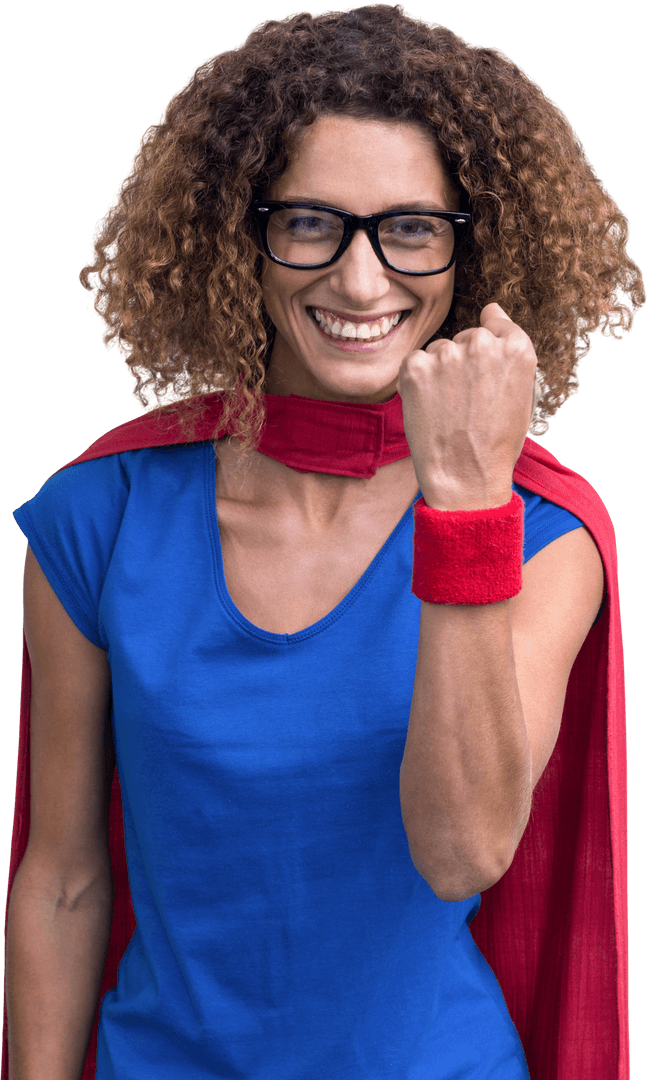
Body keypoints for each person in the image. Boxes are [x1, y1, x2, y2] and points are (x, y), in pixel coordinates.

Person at [3, 5, 643, 1079]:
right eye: (308, 223)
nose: (358, 281)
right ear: (233, 236)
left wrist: (464, 499)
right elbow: (63, 878)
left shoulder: (539, 530)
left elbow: (461, 850)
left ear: (467, 249)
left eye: (409, 229)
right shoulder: (98, 512)